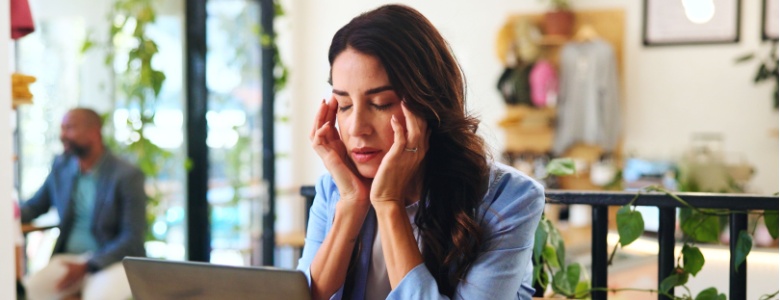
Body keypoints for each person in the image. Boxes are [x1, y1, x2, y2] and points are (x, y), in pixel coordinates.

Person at [297, 5, 545, 300]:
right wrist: (352, 204)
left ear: (428, 104)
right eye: (345, 105)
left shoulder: (509, 198)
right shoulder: (334, 190)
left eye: (380, 103)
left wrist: (388, 204)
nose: (356, 128)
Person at [20, 108, 147, 300]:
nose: (63, 135)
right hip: (69, 260)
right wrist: (9, 213)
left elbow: (132, 238)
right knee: (30, 291)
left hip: (111, 262)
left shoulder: (127, 175)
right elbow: (35, 206)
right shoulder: (61, 167)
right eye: (62, 129)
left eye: (69, 128)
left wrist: (89, 265)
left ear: (94, 132)